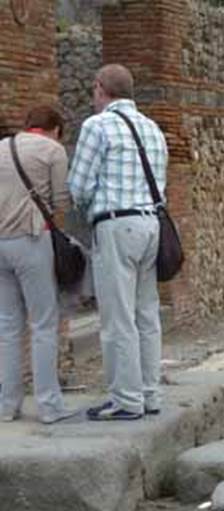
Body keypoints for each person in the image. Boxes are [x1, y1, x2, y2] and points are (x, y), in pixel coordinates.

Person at [68, 64, 168, 421]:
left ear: (99, 88)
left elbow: (78, 185)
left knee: (117, 317)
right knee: (146, 314)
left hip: (116, 225)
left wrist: (89, 206)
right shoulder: (153, 128)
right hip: (151, 225)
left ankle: (126, 400)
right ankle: (149, 394)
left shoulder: (97, 126)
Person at [0, 105, 76, 424]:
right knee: (44, 324)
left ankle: (6, 406)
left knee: (7, 326)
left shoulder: (2, 147)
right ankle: (49, 405)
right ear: (55, 129)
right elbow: (61, 201)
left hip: (0, 242)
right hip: (32, 239)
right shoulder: (53, 150)